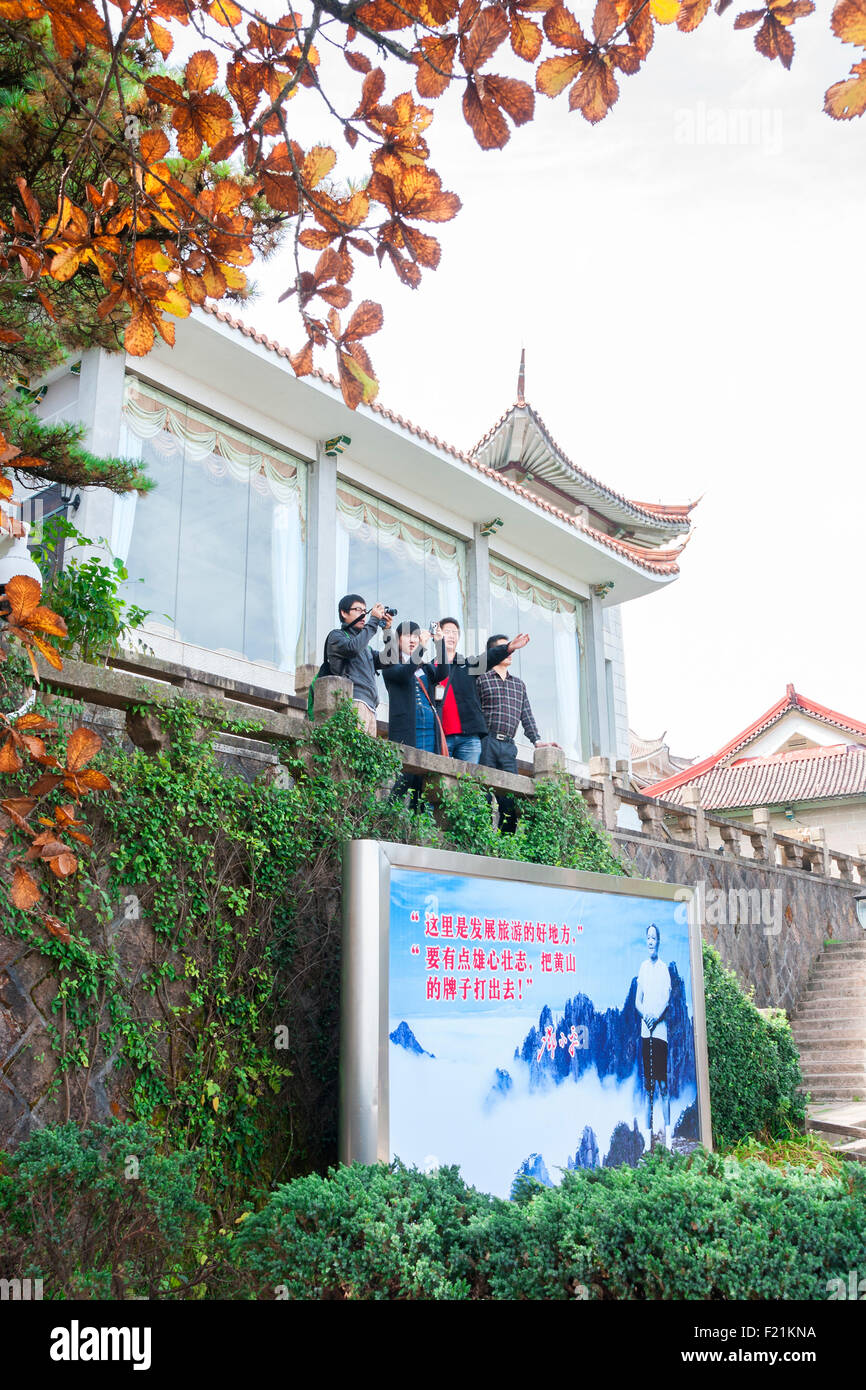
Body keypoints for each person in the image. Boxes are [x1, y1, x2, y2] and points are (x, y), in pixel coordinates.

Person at [430, 617, 530, 764]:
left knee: (468, 783)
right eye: (447, 632)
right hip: (441, 737)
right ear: (437, 635)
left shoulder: (468, 665)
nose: (452, 635)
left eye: (455, 632)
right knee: (440, 783)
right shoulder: (429, 669)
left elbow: (489, 658)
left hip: (469, 738)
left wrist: (509, 648)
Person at [325, 593, 391, 736]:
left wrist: (387, 631)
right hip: (353, 701)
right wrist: (373, 621)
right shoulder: (337, 636)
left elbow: (389, 659)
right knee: (352, 755)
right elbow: (352, 648)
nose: (364, 614)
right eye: (358, 610)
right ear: (344, 613)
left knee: (364, 757)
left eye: (365, 611)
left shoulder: (365, 647)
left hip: (371, 707)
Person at [380, 621, 445, 756]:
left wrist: (440, 643)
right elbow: (404, 673)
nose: (413, 639)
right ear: (397, 640)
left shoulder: (424, 667)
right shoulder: (390, 663)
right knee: (406, 773)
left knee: (429, 772)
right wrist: (421, 647)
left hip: (430, 728)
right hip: (406, 728)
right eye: (407, 635)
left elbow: (443, 673)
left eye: (416, 636)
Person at [635, 924, 672, 1151]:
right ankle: (648, 1141)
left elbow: (667, 1001)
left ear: (659, 941)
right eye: (648, 937)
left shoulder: (664, 968)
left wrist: (656, 1017)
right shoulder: (642, 968)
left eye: (654, 937)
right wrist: (645, 1014)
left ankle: (668, 1139)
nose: (651, 941)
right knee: (648, 1085)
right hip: (644, 1031)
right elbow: (637, 1001)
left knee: (662, 1085)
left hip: (659, 1033)